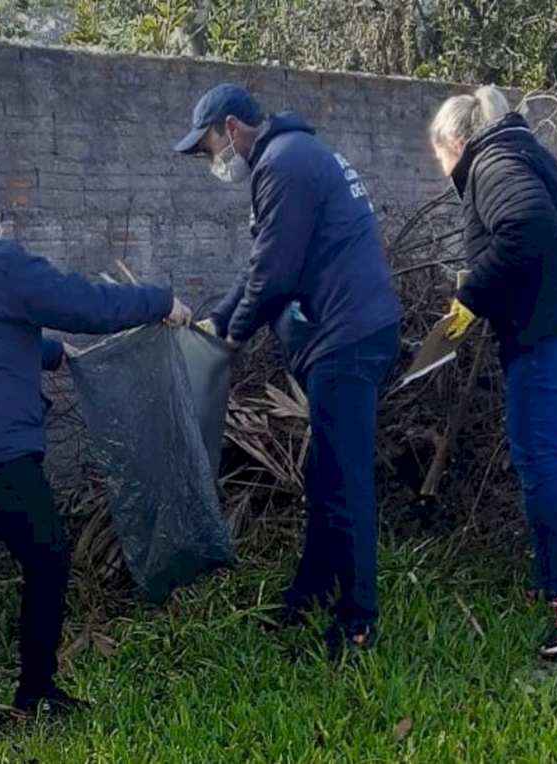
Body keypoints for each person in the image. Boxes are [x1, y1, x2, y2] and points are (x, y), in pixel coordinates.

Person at [0, 161, 190, 741]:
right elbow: (85, 304)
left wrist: (51, 354)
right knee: (47, 558)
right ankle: (36, 688)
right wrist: (161, 301)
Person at [174, 84, 404, 654]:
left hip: (345, 340)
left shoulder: (282, 164)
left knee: (345, 481)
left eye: (207, 148)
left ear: (232, 128)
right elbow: (264, 265)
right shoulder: (295, 156)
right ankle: (311, 590)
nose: (212, 162)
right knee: (325, 475)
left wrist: (227, 335)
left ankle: (358, 620)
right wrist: (219, 319)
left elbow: (274, 271)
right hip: (347, 333)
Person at [429, 86, 557, 655]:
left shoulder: (489, 161)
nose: (444, 169)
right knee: (545, 460)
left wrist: (474, 296)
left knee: (544, 462)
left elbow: (528, 227)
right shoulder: (530, 156)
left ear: (455, 141)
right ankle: (556, 589)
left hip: (555, 336)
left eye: (440, 156)